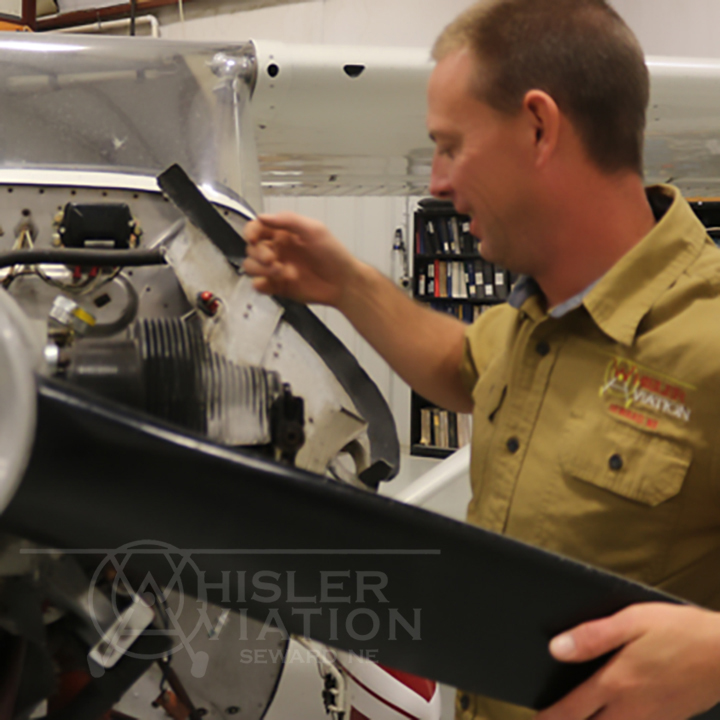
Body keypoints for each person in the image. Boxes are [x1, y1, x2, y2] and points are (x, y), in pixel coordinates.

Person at [243, 0, 720, 718]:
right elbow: (461, 364)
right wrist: (346, 282)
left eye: (451, 145)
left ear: (538, 127)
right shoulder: (543, 319)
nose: (436, 181)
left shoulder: (707, 338)